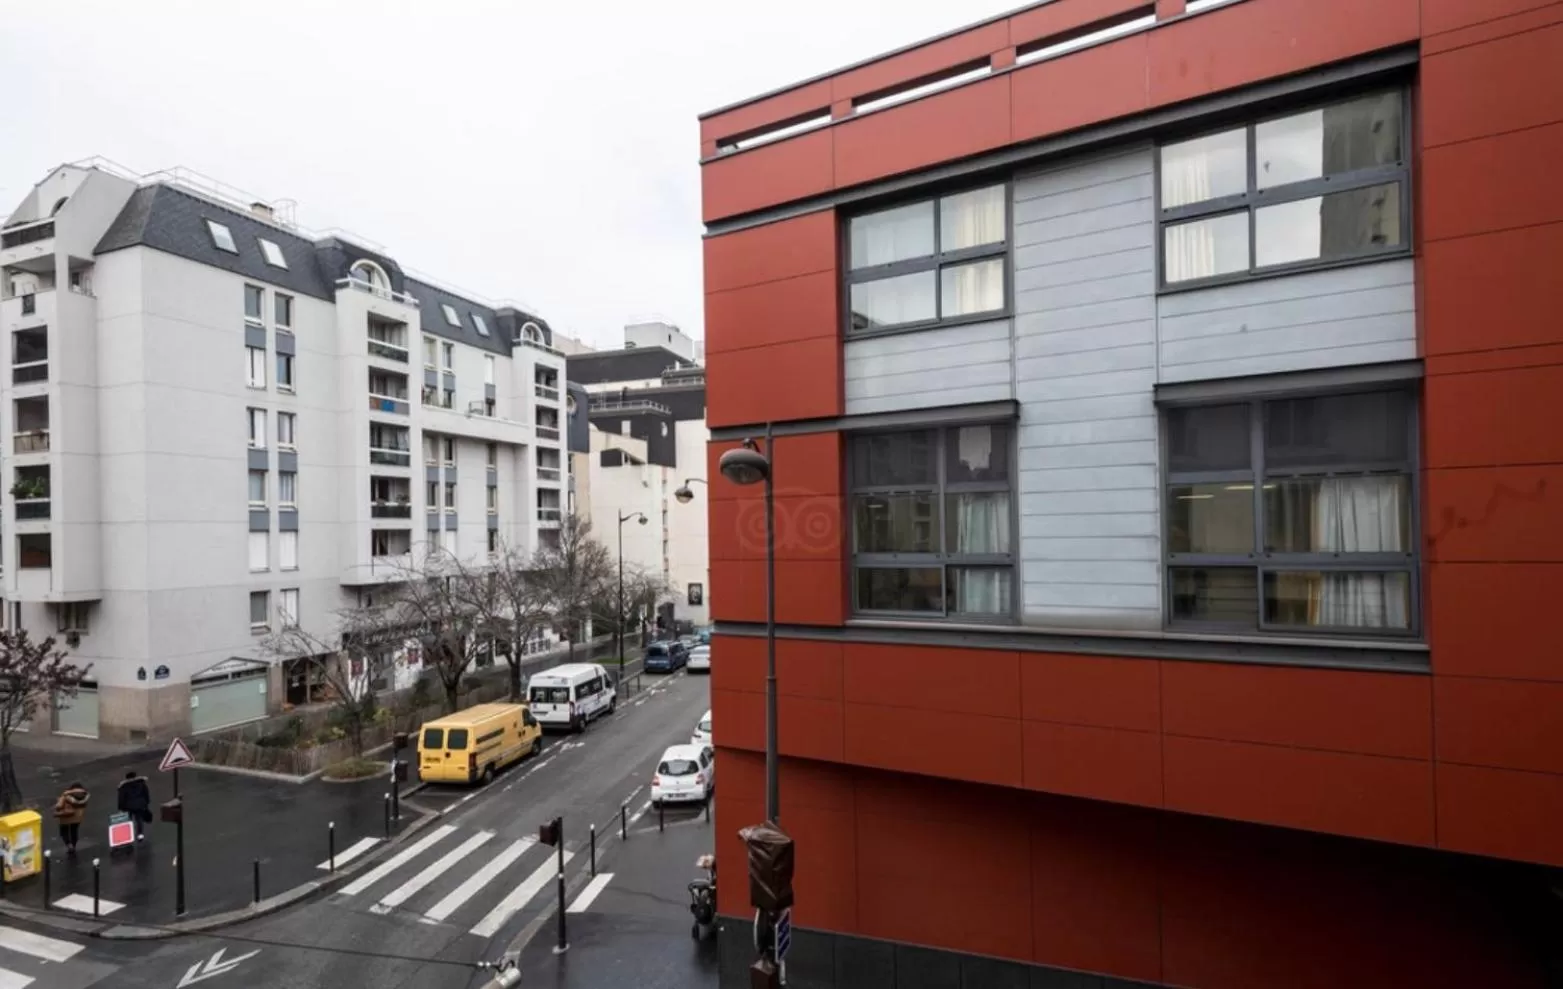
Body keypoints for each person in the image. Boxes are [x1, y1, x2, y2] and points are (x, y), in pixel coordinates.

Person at [53, 782, 89, 854]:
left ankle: (69, 845)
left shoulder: (65, 795)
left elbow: (58, 806)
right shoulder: (85, 796)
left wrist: (58, 802)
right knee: (74, 831)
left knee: (64, 831)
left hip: (66, 817)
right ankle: (74, 845)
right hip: (77, 817)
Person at [117, 770, 152, 841]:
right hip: (140, 805)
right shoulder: (141, 783)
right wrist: (146, 802)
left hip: (128, 806)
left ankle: (127, 835)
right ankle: (140, 835)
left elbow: (121, 798)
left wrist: (120, 808)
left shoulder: (124, 786)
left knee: (128, 820)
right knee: (139, 820)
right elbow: (146, 793)